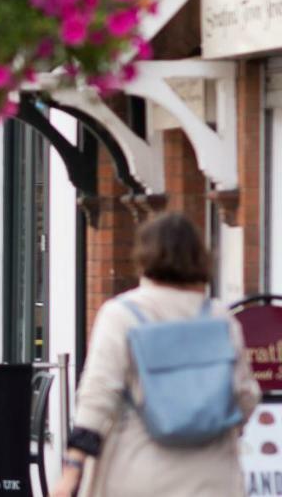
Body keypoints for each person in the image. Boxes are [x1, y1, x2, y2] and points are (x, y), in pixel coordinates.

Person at [51, 213, 260, 497]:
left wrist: (72, 470)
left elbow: (98, 394)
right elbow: (246, 394)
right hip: (211, 474)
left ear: (144, 254)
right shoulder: (220, 318)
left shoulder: (122, 314)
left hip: (138, 469)